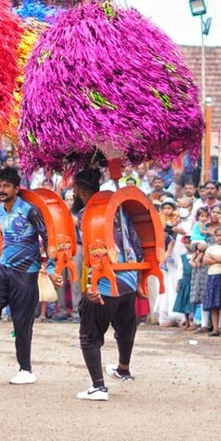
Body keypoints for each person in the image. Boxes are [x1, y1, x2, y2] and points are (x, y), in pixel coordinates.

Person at [0, 167, 53, 385]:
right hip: (4, 269)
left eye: (6, 186)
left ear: (17, 188)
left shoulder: (30, 210)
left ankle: (26, 370)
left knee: (21, 323)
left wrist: (51, 266)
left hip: (26, 273)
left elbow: (47, 235)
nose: (2, 190)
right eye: (0, 186)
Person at [69, 168, 144, 401]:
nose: (73, 194)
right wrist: (139, 278)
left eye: (74, 190)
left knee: (89, 335)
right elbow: (136, 244)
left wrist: (92, 285)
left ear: (81, 190)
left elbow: (95, 250)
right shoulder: (120, 209)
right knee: (125, 326)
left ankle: (98, 387)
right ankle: (123, 368)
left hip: (106, 281)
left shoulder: (87, 214)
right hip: (129, 277)